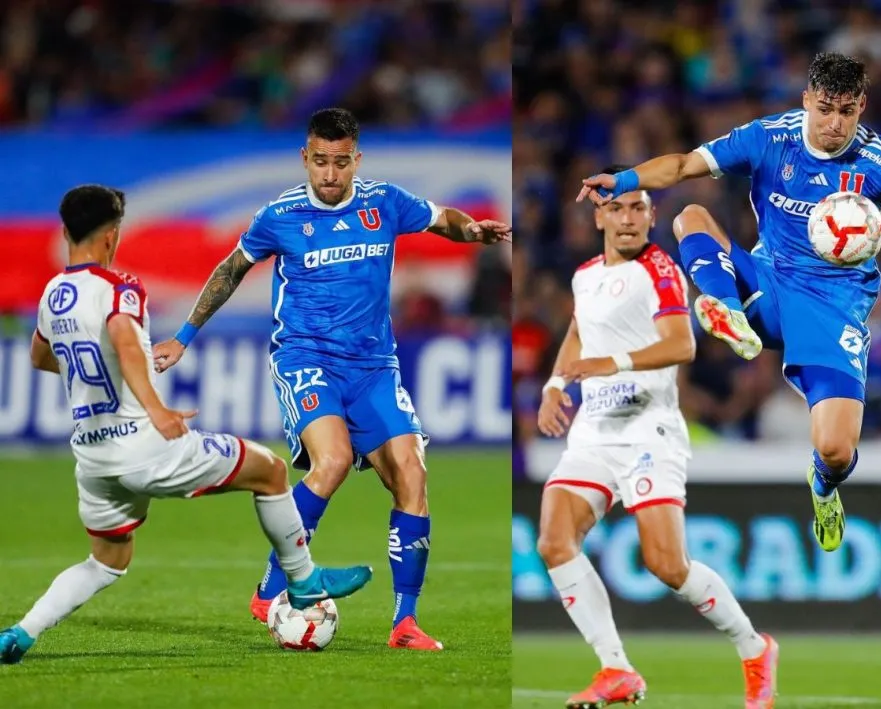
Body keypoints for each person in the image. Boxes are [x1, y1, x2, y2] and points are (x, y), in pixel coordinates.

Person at [579, 52, 881, 552]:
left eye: (848, 112)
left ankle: (823, 486)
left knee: (835, 448)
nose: (835, 124)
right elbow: (683, 165)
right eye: (826, 109)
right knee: (691, 215)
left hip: (833, 307)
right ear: (807, 99)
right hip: (767, 283)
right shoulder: (769, 138)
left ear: (862, 107)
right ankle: (726, 310)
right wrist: (624, 180)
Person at [153, 108, 511, 650]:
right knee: (335, 460)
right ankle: (272, 586)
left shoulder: (384, 202)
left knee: (411, 473)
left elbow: (444, 218)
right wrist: (183, 335)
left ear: (355, 160)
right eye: (320, 161)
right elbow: (231, 270)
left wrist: (474, 232)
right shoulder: (280, 215)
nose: (329, 174)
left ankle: (404, 623)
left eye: (340, 163)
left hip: (373, 366)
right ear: (305, 157)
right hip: (305, 358)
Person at [0, 185, 372, 664]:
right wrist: (156, 409)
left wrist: (97, 374)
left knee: (106, 562)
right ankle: (302, 582)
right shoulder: (121, 288)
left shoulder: (53, 293)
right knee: (271, 471)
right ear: (112, 236)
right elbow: (123, 338)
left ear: (66, 231)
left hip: (92, 459)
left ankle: (21, 633)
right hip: (144, 446)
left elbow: (40, 355)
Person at [538, 167, 778, 709]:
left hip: (649, 428)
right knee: (554, 540)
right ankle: (616, 669)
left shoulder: (661, 269)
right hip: (595, 430)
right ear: (599, 215)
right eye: (617, 209)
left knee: (667, 565)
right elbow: (580, 327)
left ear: (650, 216)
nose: (628, 219)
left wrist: (611, 362)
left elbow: (681, 345)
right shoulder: (585, 275)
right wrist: (556, 383)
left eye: (638, 209)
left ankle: (753, 646)